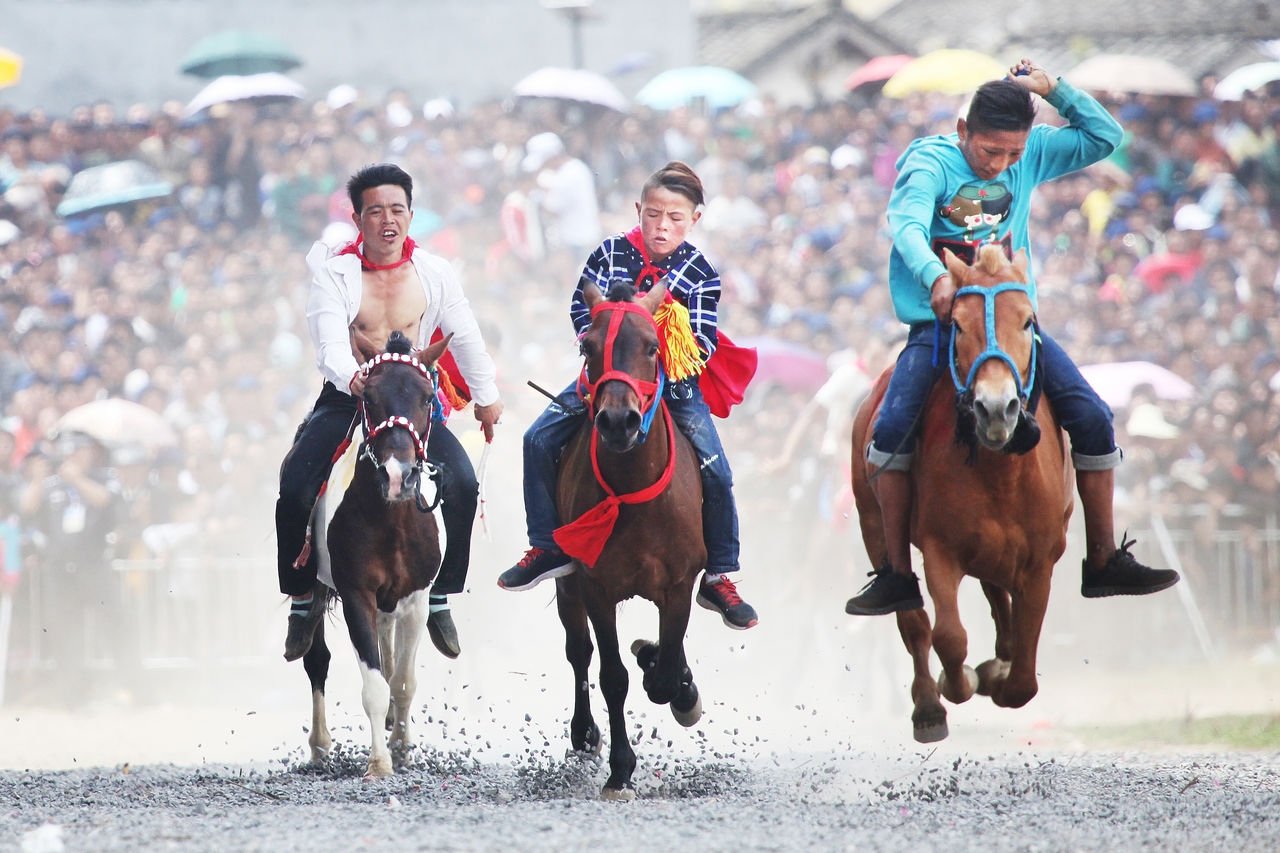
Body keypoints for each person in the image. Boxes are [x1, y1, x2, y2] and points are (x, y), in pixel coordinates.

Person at [846, 60, 1180, 616]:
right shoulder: (931, 163)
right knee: (889, 426)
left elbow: (1105, 136)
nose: (1000, 165)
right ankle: (897, 575)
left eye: (1011, 156)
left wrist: (1055, 90)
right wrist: (935, 278)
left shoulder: (1034, 154)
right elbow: (904, 224)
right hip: (944, 324)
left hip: (1015, 324)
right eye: (988, 153)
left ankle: (1102, 558)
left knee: (1094, 419)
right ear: (962, 133)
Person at [499, 161, 758, 630]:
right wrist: (607, 341)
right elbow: (581, 310)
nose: (662, 226)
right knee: (536, 439)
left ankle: (720, 573)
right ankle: (547, 545)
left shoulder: (700, 271)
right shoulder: (608, 252)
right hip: (603, 381)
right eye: (654, 214)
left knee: (715, 470)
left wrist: (645, 334)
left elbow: (700, 342)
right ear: (639, 209)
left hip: (671, 386)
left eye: (675, 218)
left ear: (694, 219)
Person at [277, 163, 503, 661]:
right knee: (295, 482)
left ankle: (443, 592)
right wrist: (351, 375)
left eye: (396, 209)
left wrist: (486, 397)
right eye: (375, 210)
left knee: (463, 483)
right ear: (358, 218)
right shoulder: (336, 274)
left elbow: (462, 334)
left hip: (411, 400)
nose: (387, 219)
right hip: (351, 394)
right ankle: (300, 594)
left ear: (410, 215)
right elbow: (329, 341)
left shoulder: (435, 273)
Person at [522, 132, 602, 259]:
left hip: (578, 242)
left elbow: (551, 208)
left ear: (551, 157)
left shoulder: (569, 177)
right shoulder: (576, 168)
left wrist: (539, 188)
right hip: (581, 239)